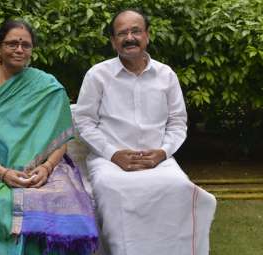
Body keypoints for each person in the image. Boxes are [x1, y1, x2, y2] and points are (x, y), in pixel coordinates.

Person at [74, 9, 216, 255]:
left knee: (177, 186)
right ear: (113, 41)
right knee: (111, 189)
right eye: (122, 33)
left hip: (157, 159)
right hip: (109, 161)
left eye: (135, 31)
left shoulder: (166, 75)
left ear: (147, 36)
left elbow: (177, 122)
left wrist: (162, 152)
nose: (129, 37)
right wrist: (113, 153)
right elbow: (84, 121)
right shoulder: (98, 75)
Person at [0, 20, 98, 255]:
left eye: (25, 45)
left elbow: (61, 139)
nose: (19, 49)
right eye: (12, 43)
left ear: (31, 50)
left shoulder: (48, 87)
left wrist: (47, 167)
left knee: (62, 199)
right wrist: (2, 172)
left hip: (43, 166)